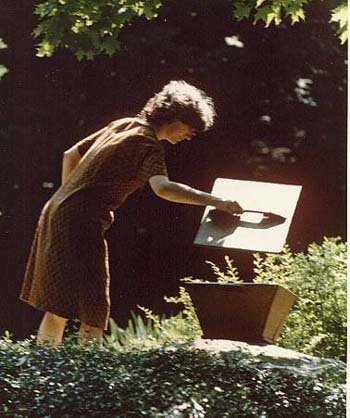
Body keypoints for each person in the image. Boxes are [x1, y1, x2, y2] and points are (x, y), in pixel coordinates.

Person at [20, 80, 243, 346]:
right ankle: (87, 376)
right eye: (190, 129)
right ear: (174, 117)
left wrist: (71, 194)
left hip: (58, 210)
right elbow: (163, 188)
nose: (189, 136)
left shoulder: (123, 124)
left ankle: (45, 370)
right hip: (80, 220)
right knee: (93, 307)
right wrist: (217, 201)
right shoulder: (148, 144)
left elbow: (70, 155)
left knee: (59, 301)